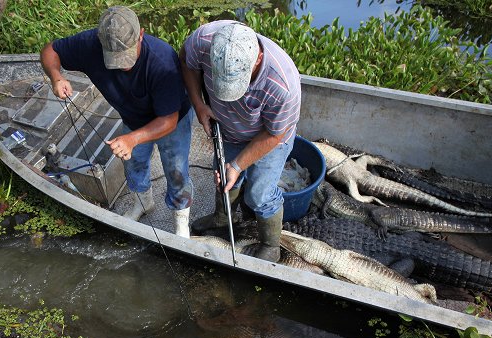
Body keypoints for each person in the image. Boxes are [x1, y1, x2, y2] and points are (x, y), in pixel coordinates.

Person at [40, 6, 194, 237]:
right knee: (132, 164)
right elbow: (50, 51)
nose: (124, 65)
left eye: (128, 55)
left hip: (171, 119)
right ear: (100, 42)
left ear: (141, 34)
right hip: (132, 117)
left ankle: (181, 220)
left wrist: (133, 138)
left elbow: (168, 121)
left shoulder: (162, 61)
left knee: (176, 170)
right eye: (115, 58)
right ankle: (143, 202)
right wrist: (57, 77)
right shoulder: (89, 44)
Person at [179, 20, 301, 261]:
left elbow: (275, 134)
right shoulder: (203, 40)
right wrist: (200, 105)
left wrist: (237, 165)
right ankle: (223, 217)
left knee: (259, 194)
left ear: (257, 59)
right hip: (227, 129)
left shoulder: (283, 85)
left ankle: (271, 246)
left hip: (269, 137)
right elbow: (186, 61)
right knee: (224, 178)